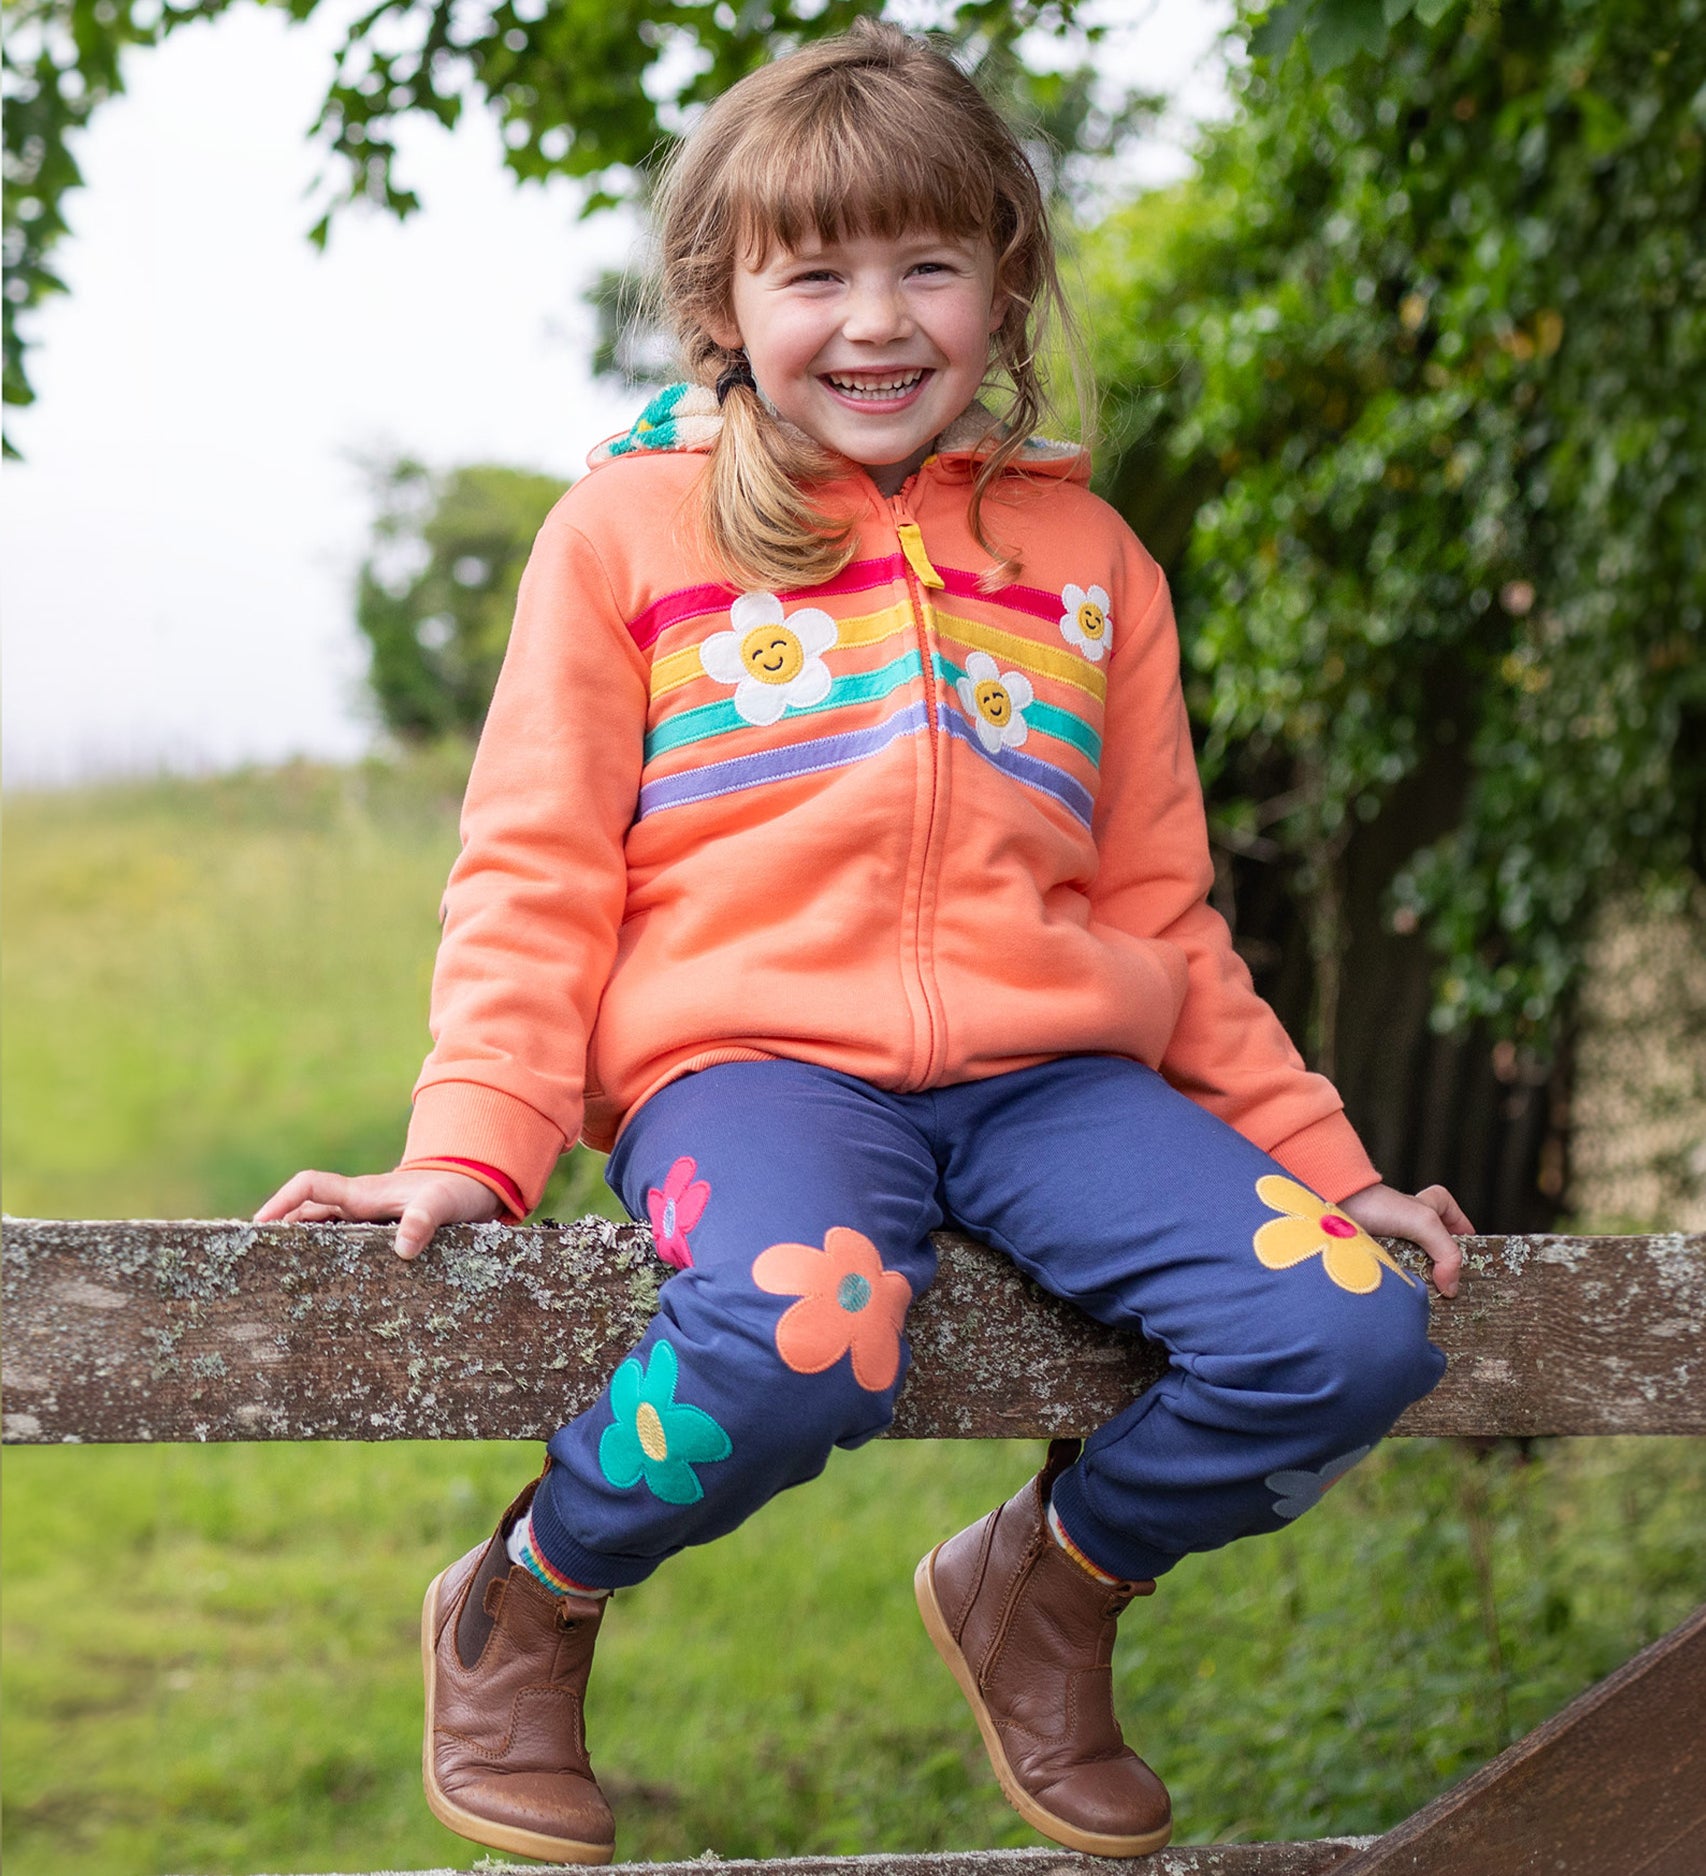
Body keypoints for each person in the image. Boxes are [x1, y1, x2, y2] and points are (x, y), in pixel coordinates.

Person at [258, 18, 1471, 1864]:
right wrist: (473, 1145)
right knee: (813, 1339)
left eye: (926, 263)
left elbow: (1157, 908)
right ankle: (532, 1589)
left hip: (1054, 1077)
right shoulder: (625, 535)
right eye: (813, 271)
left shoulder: (1088, 561)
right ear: (722, 298)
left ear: (1005, 276)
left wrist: (1325, 1165)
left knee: (1346, 1332)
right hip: (747, 1073)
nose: (876, 319)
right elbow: (531, 868)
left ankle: (1047, 1587)